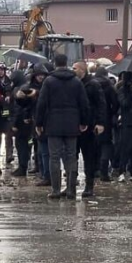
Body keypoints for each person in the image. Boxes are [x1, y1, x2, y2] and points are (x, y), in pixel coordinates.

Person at [35, 54, 89, 199]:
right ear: (67, 63)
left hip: (53, 124)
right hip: (72, 124)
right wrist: (84, 122)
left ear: (55, 64)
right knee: (71, 157)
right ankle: (71, 190)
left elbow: (41, 103)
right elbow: (84, 104)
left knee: (54, 157)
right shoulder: (76, 82)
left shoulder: (49, 81)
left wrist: (39, 123)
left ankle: (56, 190)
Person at [73, 61, 107, 197]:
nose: (72, 70)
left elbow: (101, 104)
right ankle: (71, 183)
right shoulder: (74, 84)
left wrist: (100, 123)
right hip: (75, 125)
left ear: (82, 70)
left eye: (75, 68)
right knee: (72, 157)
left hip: (90, 126)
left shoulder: (93, 84)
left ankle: (89, 185)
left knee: (89, 158)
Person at [93, 67, 120, 181]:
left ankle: (93, 169)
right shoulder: (110, 87)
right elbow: (116, 104)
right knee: (106, 144)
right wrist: (111, 113)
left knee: (93, 145)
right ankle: (104, 171)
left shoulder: (91, 85)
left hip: (92, 119)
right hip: (106, 119)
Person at [0, 62, 14, 166]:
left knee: (8, 134)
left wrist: (9, 95)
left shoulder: (10, 81)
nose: (0, 72)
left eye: (2, 70)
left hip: (8, 111)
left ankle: (9, 154)